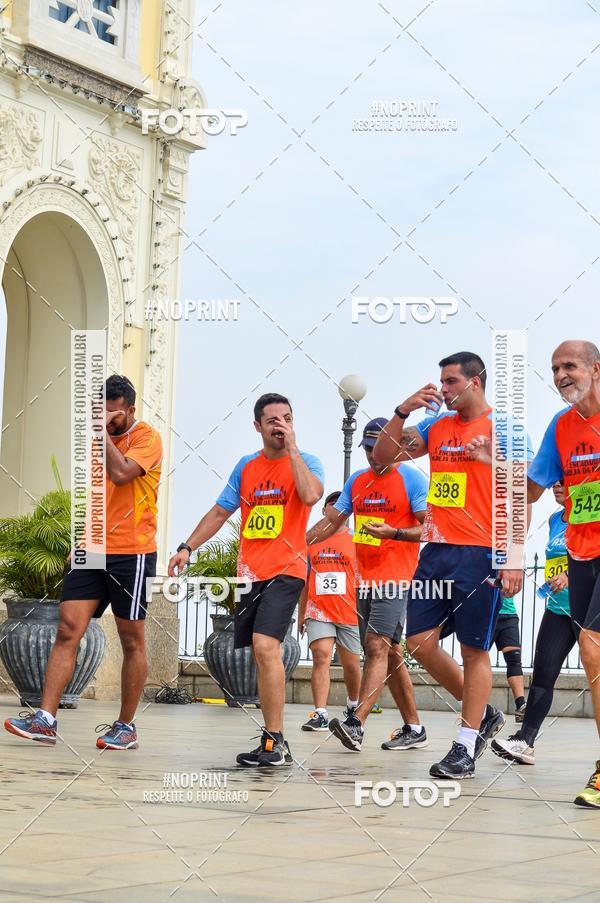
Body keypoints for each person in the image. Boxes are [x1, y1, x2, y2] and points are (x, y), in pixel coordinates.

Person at [374, 351, 532, 779]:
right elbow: (383, 457)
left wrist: (514, 558)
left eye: (450, 382)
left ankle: (464, 745)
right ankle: (483, 715)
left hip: (481, 552)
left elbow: (522, 496)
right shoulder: (435, 427)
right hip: (436, 551)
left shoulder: (506, 430)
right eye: (441, 382)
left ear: (474, 382)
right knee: (418, 642)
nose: (442, 390)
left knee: (473, 649)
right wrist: (402, 411)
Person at [5, 375, 163, 750]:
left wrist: (102, 434)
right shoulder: (97, 444)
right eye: (100, 413)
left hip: (133, 551)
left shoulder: (147, 438)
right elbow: (97, 495)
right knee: (66, 630)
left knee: (131, 639)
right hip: (92, 551)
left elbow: (121, 475)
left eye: (113, 414)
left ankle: (126, 727)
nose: (105, 420)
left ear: (130, 410)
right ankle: (45, 719)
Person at [168, 393, 323, 767]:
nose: (280, 426)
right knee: (259, 651)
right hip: (250, 572)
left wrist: (293, 449)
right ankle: (272, 738)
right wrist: (187, 547)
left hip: (287, 569)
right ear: (257, 426)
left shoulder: (308, 462)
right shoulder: (247, 467)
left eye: (287, 419)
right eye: (273, 421)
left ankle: (276, 741)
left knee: (266, 646)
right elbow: (220, 511)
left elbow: (311, 495)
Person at [319, 418, 429, 752]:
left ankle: (356, 724)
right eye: (367, 449)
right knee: (391, 652)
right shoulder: (357, 480)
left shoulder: (411, 478)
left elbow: (430, 528)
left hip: (397, 578)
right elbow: (332, 522)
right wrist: (296, 545)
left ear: (395, 447)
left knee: (376, 646)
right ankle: (414, 727)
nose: (372, 455)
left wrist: (395, 533)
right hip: (365, 580)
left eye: (377, 448)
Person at [526, 340, 600, 807]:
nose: (560, 376)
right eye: (554, 369)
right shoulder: (561, 426)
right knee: (594, 653)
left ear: (597, 368)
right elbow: (531, 489)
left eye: (569, 366)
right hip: (581, 553)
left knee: (591, 645)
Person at [493, 481, 571, 765]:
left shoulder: (590, 520)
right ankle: (525, 741)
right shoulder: (553, 520)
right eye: (554, 482)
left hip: (589, 610)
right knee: (542, 676)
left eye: (563, 481)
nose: (556, 486)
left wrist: (571, 575)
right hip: (558, 609)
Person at [298, 491, 361, 731]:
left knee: (351, 664)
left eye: (340, 505)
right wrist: (302, 613)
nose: (335, 509)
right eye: (331, 504)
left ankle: (353, 705)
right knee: (321, 655)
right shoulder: (312, 541)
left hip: (350, 611)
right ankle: (320, 714)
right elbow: (305, 580)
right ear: (324, 510)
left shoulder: (356, 540)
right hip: (318, 610)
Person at [492, 596, 526, 721]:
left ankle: (521, 706)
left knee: (514, 660)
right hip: (485, 614)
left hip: (509, 614)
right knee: (476, 659)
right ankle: (475, 708)